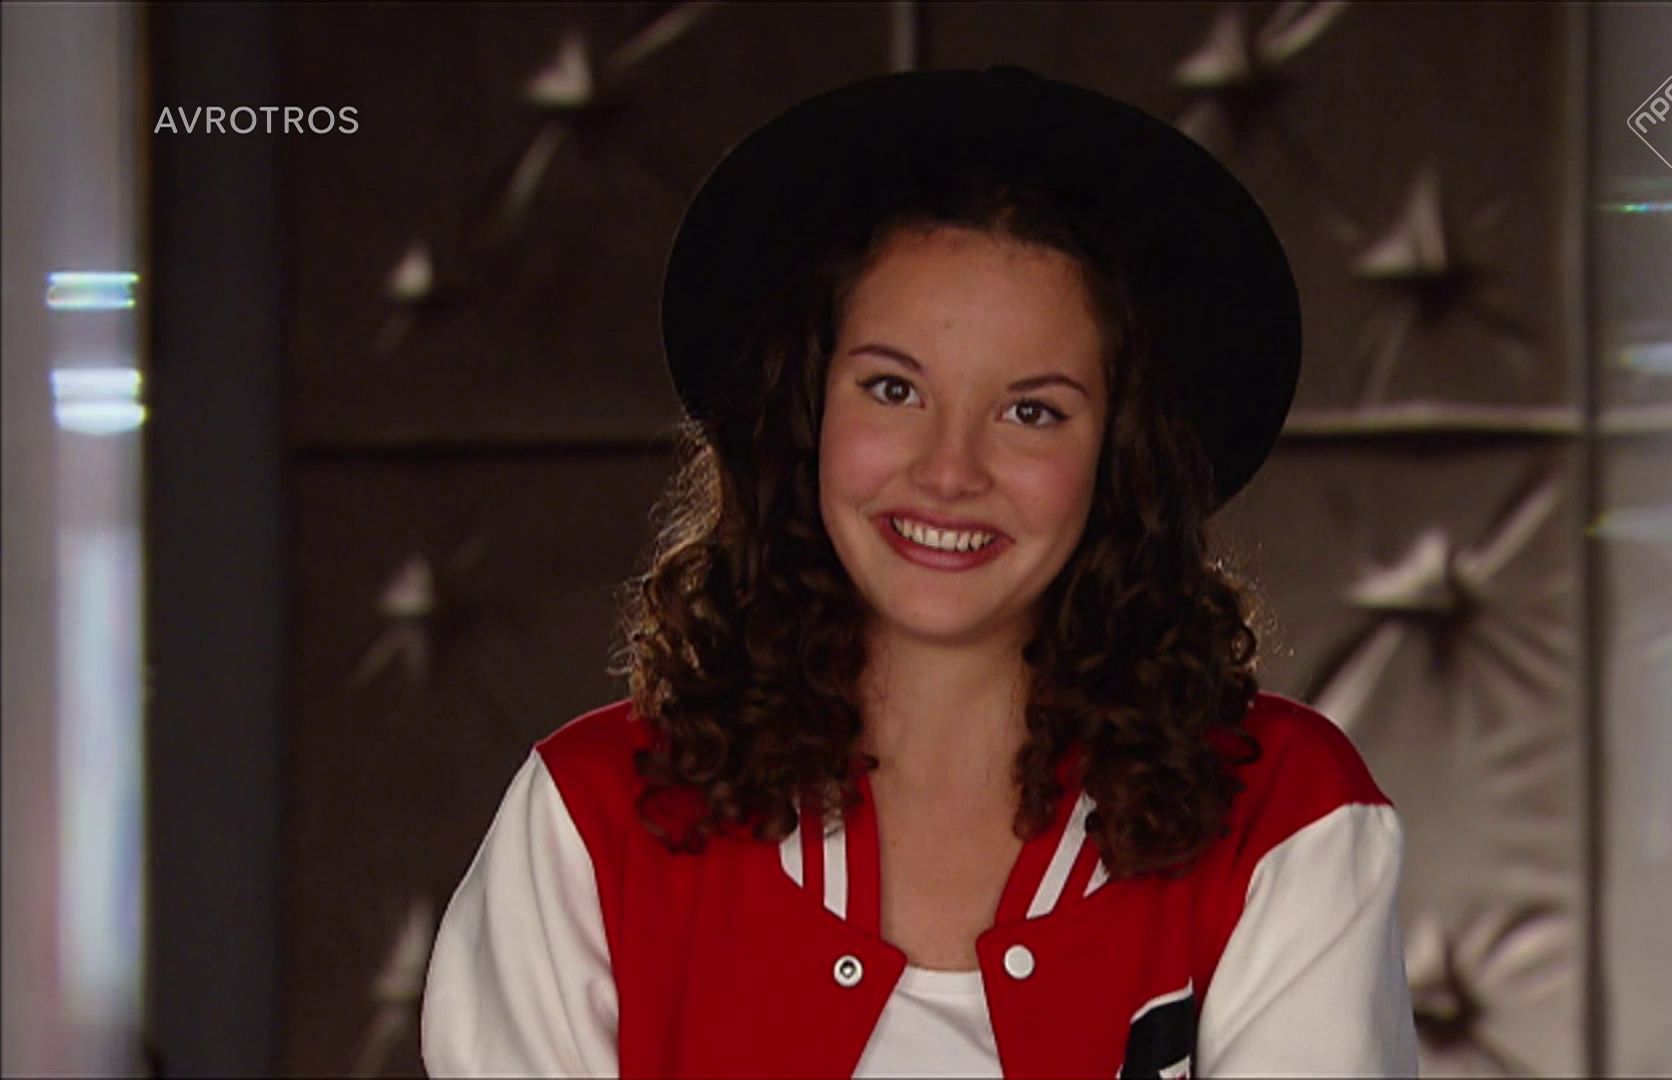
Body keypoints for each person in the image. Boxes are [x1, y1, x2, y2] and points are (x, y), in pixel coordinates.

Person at [421, 67, 1417, 1078]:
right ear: (807, 413)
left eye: (1031, 411)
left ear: (1118, 458)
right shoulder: (589, 824)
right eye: (893, 389)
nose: (949, 471)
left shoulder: (1284, 812)